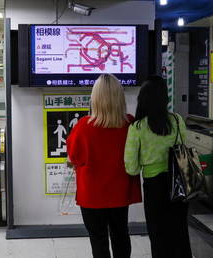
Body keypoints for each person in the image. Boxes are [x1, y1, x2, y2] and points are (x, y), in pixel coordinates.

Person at [67, 74, 142, 258]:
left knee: (98, 239)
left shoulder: (83, 126)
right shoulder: (130, 123)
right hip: (120, 193)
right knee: (121, 235)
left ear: (95, 98)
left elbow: (74, 158)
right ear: (119, 97)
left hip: (91, 195)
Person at [124, 76, 192, 258]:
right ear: (165, 98)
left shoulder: (137, 127)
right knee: (180, 233)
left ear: (143, 99)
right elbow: (183, 151)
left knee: (158, 235)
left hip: (154, 187)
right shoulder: (177, 120)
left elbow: (131, 168)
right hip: (179, 184)